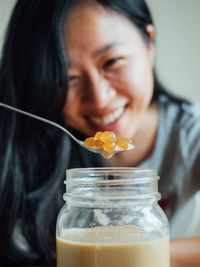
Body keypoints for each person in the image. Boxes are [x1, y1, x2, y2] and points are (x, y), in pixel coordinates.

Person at [0, 0, 200, 266]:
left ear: (149, 44)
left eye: (112, 61)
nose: (100, 99)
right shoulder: (23, 146)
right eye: (68, 78)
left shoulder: (192, 134)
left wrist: (144, 254)